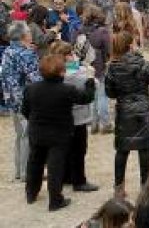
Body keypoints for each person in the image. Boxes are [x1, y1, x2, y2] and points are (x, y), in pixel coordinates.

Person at [22, 54, 96, 211]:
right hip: (59, 133)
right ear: (61, 72)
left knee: (34, 162)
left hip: (37, 131)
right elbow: (86, 98)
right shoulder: (66, 90)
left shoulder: (31, 88)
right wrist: (90, 80)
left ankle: (31, 193)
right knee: (56, 166)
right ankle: (55, 200)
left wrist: (35, 121)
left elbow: (25, 110)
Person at [105, 31, 149, 197]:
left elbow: (109, 93)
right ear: (130, 45)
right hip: (143, 111)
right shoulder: (142, 64)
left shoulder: (112, 67)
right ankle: (145, 187)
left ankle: (118, 188)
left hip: (124, 110)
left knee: (122, 150)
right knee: (144, 149)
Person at [49, 41, 99, 193]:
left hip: (60, 118)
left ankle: (66, 176)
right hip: (77, 117)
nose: (74, 56)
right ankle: (79, 180)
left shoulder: (52, 72)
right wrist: (89, 72)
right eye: (71, 54)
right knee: (79, 149)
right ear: (65, 57)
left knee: (65, 149)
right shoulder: (75, 75)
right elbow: (94, 83)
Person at [1, 21, 41, 182]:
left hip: (10, 99)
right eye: (29, 33)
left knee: (19, 136)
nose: (31, 35)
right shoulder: (26, 54)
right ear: (24, 36)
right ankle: (26, 173)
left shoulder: (8, 51)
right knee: (27, 136)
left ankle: (19, 171)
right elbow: (36, 78)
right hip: (25, 101)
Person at [77, 6, 113, 134]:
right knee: (102, 95)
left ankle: (94, 124)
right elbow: (109, 50)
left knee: (92, 94)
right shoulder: (102, 31)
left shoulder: (79, 30)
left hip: (84, 65)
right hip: (99, 64)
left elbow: (75, 48)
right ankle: (106, 123)